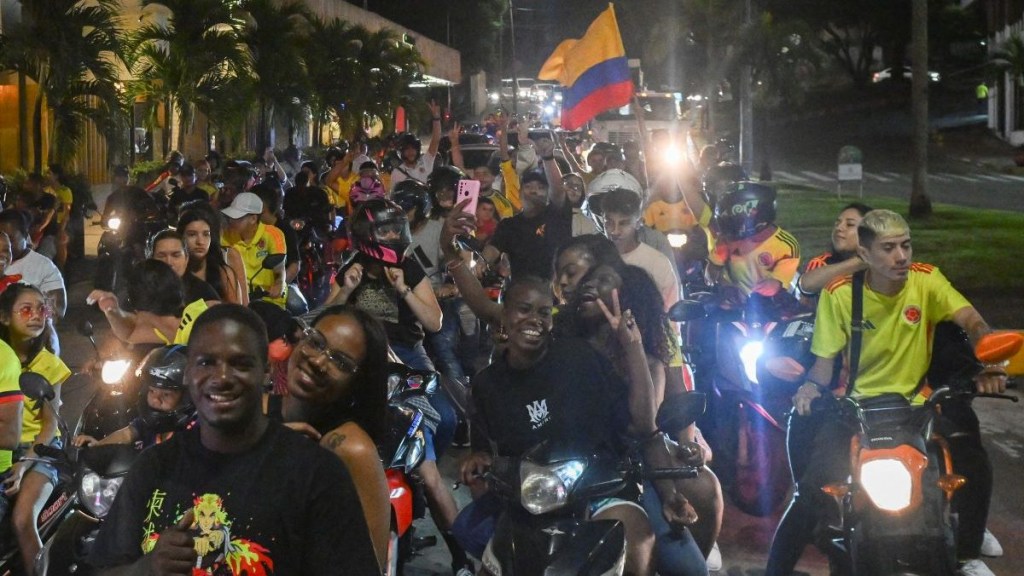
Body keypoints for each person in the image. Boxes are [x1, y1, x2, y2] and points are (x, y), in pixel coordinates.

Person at [767, 210, 1007, 576]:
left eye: (906, 245)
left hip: (918, 406)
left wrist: (989, 359)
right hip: (854, 410)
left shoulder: (928, 280)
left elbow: (973, 322)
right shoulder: (840, 294)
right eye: (889, 248)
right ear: (864, 253)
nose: (902, 257)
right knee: (813, 488)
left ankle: (965, 553)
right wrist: (811, 389)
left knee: (971, 460)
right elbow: (823, 365)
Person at [88, 304, 380, 574]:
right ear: (187, 372)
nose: (222, 377)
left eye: (240, 364)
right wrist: (148, 568)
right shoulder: (153, 466)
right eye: (206, 362)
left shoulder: (318, 472)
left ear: (265, 370)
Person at [458, 277, 658, 574]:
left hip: (596, 491)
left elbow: (641, 424)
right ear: (504, 314)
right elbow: (484, 448)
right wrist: (478, 460)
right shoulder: (487, 384)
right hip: (532, 502)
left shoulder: (579, 358)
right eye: (524, 309)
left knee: (637, 541)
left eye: (543, 312)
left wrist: (633, 347)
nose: (534, 320)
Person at [280, 306, 391, 570]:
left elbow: (368, 565)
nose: (318, 362)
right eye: (316, 342)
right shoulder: (258, 411)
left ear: (358, 382)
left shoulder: (350, 448)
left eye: (340, 362)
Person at [0, 283, 71, 571]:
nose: (36, 317)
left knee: (22, 517)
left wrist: (26, 462)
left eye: (42, 309)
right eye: (26, 310)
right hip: (8, 449)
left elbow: (49, 425)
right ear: (5, 317)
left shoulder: (51, 365)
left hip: (39, 450)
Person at [74, 345, 194, 448]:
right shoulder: (148, 423)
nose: (155, 399)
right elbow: (127, 433)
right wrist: (99, 445)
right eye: (152, 391)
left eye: (166, 394)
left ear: (186, 397)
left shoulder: (193, 435)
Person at [706, 181, 800, 298]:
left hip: (771, 307)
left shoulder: (785, 245)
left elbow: (778, 284)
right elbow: (712, 273)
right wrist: (723, 287)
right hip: (733, 304)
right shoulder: (726, 241)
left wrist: (772, 286)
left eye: (732, 221)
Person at [599, 188, 681, 312]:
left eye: (623, 223)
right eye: (609, 223)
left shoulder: (657, 263)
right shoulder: (595, 257)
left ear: (639, 223)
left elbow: (671, 314)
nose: (614, 231)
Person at [87, 259, 185, 347]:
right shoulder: (172, 329)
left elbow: (130, 333)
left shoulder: (194, 334)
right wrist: (112, 310)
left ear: (138, 310)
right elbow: (129, 334)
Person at [792, 202, 872, 303]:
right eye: (837, 224)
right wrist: (859, 261)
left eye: (850, 224)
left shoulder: (884, 265)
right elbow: (807, 286)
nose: (839, 228)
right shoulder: (822, 262)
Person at [221, 192, 287, 308]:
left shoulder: (273, 234)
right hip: (238, 300)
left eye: (237, 218)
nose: (231, 221)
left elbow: (279, 268)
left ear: (253, 219)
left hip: (268, 300)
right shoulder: (225, 236)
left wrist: (279, 283)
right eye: (230, 217)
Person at [177, 205, 248, 305]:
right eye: (192, 234)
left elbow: (237, 314)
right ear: (181, 237)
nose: (200, 241)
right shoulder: (174, 274)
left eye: (206, 234)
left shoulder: (223, 273)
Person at [148, 229, 220, 304]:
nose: (168, 262)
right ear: (151, 259)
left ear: (186, 259)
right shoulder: (141, 290)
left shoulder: (204, 293)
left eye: (175, 255)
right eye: (161, 256)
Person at [251, 183, 299, 284]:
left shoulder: (285, 230)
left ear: (262, 206)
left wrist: (279, 287)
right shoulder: (250, 228)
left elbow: (294, 266)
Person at [390, 101, 443, 191]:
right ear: (401, 152)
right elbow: (394, 197)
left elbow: (436, 140)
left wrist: (436, 118)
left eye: (413, 148)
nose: (411, 152)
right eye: (407, 149)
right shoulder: (397, 173)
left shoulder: (425, 161)